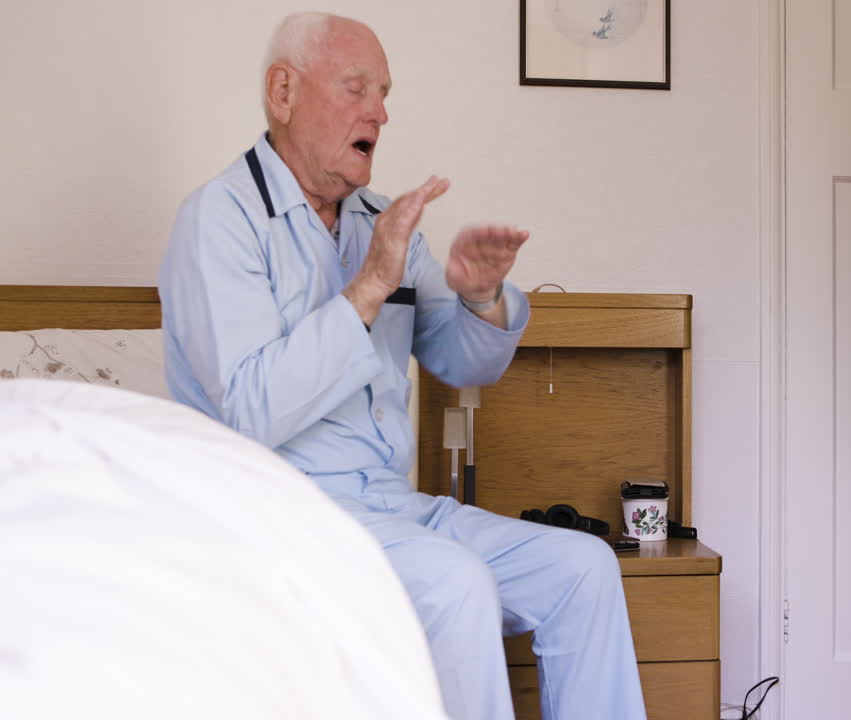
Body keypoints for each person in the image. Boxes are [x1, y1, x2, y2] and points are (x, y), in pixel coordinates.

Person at [159, 12, 645, 720]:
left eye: (384, 93)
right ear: (283, 92)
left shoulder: (379, 224)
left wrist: (480, 299)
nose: (380, 113)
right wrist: (367, 287)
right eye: (357, 89)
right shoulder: (218, 219)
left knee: (584, 569)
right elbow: (248, 408)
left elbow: (462, 362)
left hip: (395, 508)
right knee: (456, 584)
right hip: (285, 516)